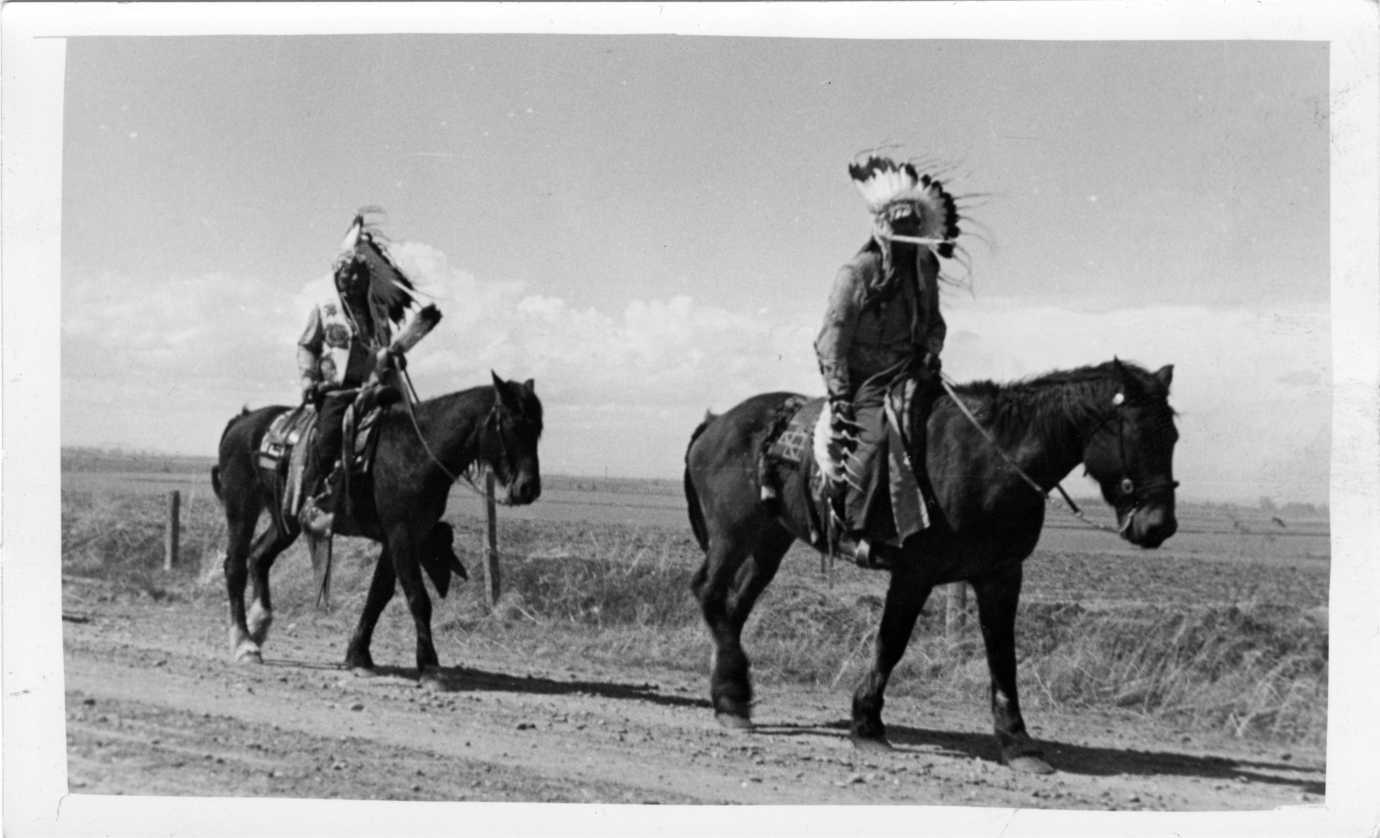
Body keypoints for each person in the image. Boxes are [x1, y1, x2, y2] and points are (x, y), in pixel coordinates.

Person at [813, 156, 960, 567]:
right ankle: (852, 529)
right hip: (865, 379)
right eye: (898, 229)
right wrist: (841, 398)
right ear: (882, 228)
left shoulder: (925, 266)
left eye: (912, 228)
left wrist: (930, 351)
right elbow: (832, 342)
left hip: (912, 371)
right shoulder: (855, 274)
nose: (905, 236)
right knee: (876, 435)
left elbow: (935, 322)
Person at [296, 209, 423, 537]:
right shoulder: (325, 311)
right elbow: (307, 347)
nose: (352, 280)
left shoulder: (379, 314)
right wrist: (309, 379)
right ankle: (314, 503)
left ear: (368, 278)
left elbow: (382, 351)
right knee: (328, 439)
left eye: (358, 274)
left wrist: (394, 360)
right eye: (346, 274)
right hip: (338, 393)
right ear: (337, 277)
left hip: (374, 389)